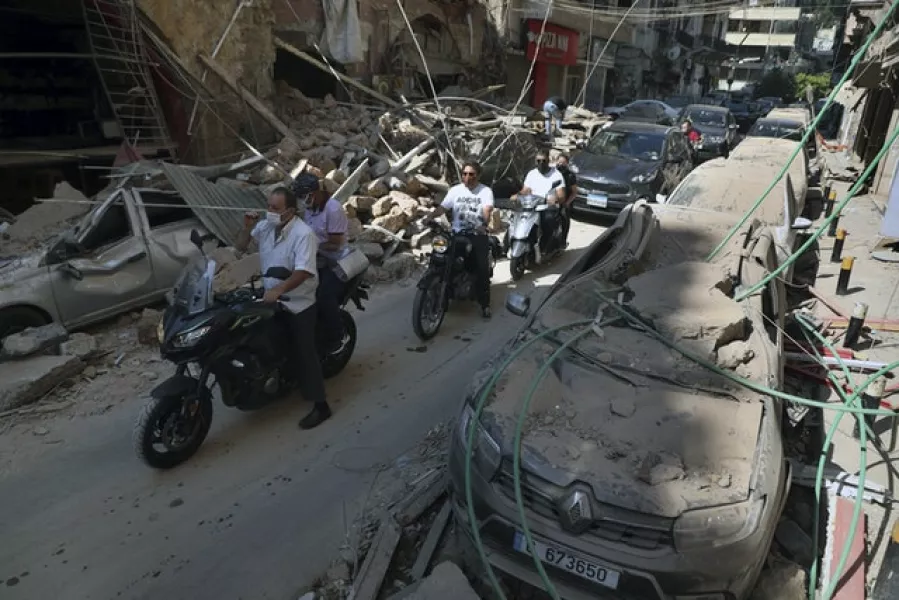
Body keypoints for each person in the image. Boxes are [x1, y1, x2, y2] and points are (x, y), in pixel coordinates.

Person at [236, 186, 332, 430]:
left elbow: (304, 270)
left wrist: (280, 290)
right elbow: (240, 246)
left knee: (304, 351)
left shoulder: (303, 234)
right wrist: (247, 226)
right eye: (268, 206)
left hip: (298, 301)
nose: (270, 211)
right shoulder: (267, 227)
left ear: (290, 210)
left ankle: (321, 405)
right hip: (269, 295)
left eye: (275, 208)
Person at [428, 159, 495, 319]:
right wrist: (430, 216)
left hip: (477, 234)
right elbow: (443, 207)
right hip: (457, 234)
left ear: (478, 175)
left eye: (471, 174)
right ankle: (436, 289)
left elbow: (487, 210)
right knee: (438, 256)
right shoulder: (455, 190)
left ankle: (485, 304)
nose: (467, 177)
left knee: (481, 268)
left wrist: (483, 224)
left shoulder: (485, 191)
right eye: (464, 173)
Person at [293, 173, 348, 355]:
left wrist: (313, 244)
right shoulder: (310, 208)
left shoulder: (333, 209)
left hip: (335, 261)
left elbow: (335, 243)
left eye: (304, 196)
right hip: (315, 258)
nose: (302, 201)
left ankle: (338, 335)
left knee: (324, 295)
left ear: (314, 193)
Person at [514, 148, 566, 255]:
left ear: (549, 161)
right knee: (516, 219)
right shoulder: (532, 174)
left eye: (544, 161)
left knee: (547, 220)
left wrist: (555, 198)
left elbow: (561, 195)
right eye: (538, 161)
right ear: (535, 161)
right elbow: (526, 190)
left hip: (548, 207)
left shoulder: (556, 175)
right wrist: (517, 195)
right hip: (531, 205)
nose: (541, 163)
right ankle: (509, 245)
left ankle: (545, 247)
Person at [555, 153, 578, 247]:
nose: (561, 164)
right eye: (559, 162)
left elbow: (574, 192)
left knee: (564, 217)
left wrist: (567, 203)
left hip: (565, 201)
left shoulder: (570, 176)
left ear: (567, 164)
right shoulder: (552, 173)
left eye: (563, 163)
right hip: (552, 201)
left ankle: (563, 241)